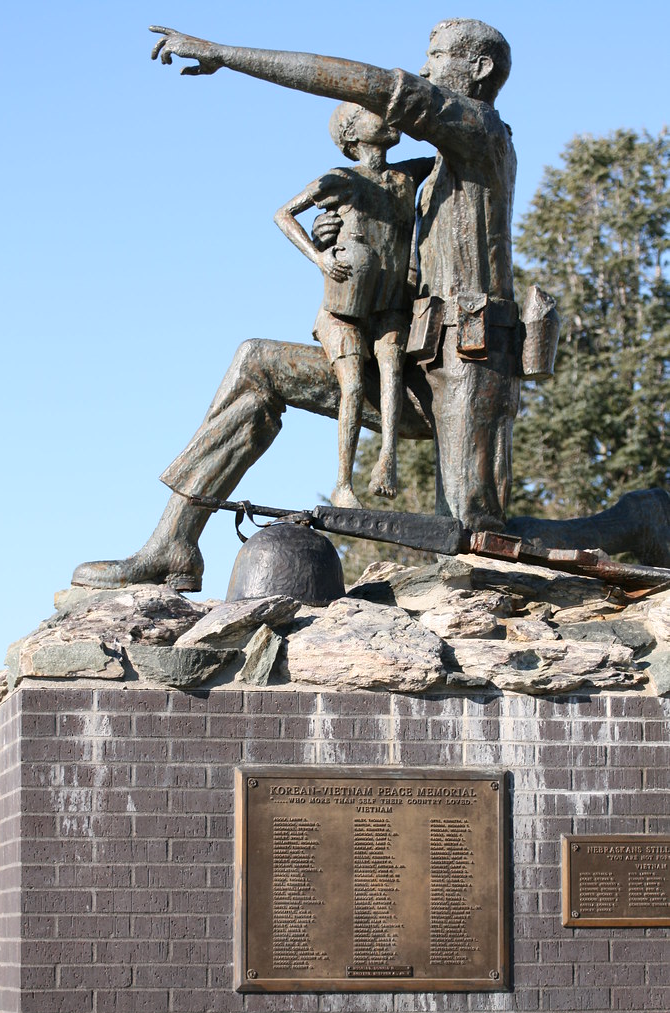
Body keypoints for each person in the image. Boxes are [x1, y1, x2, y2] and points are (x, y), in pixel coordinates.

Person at [71, 20, 669, 591]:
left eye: (437, 60)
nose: (423, 68)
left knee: (473, 541)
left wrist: (227, 54)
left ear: (479, 69)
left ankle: (635, 521)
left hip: (472, 360)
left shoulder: (481, 133)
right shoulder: (432, 171)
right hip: (408, 359)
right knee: (258, 363)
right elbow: (375, 202)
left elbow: (372, 85)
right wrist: (344, 230)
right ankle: (173, 542)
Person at [274, 102, 433, 508]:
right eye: (370, 111)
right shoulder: (341, 179)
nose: (383, 115)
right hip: (343, 308)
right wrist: (319, 255)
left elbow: (448, 153)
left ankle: (388, 460)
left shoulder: (405, 176)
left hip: (388, 302)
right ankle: (343, 484)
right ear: (352, 133)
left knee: (393, 368)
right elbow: (283, 214)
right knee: (355, 385)